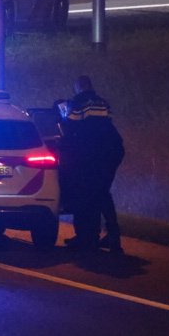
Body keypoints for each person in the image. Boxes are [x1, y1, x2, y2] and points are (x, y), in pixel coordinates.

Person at [56, 75, 125, 254]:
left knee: (84, 194)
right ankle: (110, 235)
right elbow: (105, 125)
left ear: (78, 87)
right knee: (101, 193)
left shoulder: (78, 103)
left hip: (92, 154)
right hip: (111, 151)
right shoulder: (103, 102)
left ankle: (86, 237)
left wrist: (63, 115)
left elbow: (70, 128)